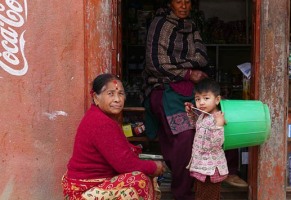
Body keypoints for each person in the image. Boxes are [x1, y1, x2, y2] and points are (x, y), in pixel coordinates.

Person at [142, 0, 209, 199]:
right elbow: (155, 62)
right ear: (170, 3)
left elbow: (202, 57)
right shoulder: (160, 24)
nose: (183, 6)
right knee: (185, 136)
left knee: (213, 126)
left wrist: (180, 69)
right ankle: (181, 192)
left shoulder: (192, 25)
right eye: (178, 1)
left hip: (190, 91)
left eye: (187, 2)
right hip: (162, 90)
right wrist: (188, 72)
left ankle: (213, 179)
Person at [62, 73, 166, 200]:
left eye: (121, 94)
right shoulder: (101, 122)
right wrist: (154, 166)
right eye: (110, 94)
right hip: (83, 190)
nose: (117, 99)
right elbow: (124, 164)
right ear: (96, 97)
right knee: (139, 181)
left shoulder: (101, 117)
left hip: (88, 184)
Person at [185, 78, 228, 200]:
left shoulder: (218, 118)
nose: (201, 103)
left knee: (207, 197)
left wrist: (219, 125)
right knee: (202, 195)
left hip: (210, 169)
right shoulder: (203, 116)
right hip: (201, 166)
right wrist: (191, 113)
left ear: (217, 100)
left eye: (206, 98)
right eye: (198, 99)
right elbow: (196, 126)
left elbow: (216, 144)